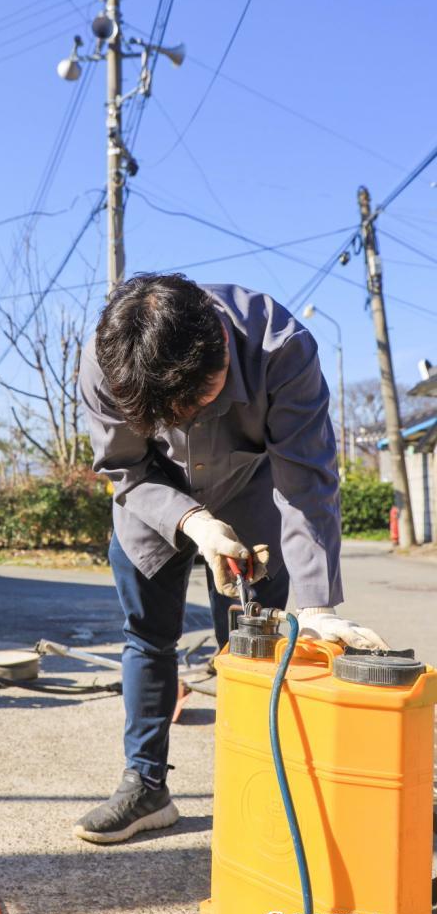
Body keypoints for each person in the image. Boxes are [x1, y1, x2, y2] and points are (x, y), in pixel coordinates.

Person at [75, 273, 388, 845]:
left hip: (252, 498)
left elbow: (307, 481)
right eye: (168, 413)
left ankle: (254, 784)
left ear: (221, 342)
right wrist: (194, 522)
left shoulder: (283, 348)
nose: (186, 420)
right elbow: (124, 466)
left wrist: (316, 608)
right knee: (147, 636)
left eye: (200, 400)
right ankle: (145, 785)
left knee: (253, 648)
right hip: (152, 502)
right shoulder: (109, 358)